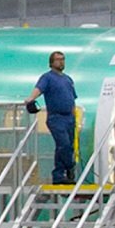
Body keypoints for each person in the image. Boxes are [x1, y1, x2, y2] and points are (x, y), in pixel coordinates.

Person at [27, 50, 80, 185]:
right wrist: (30, 99)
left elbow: (72, 99)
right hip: (56, 117)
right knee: (64, 144)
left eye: (63, 59)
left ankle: (59, 175)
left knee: (66, 146)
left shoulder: (68, 79)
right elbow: (39, 89)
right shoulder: (47, 77)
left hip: (69, 117)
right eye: (58, 59)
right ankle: (70, 166)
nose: (61, 62)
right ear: (51, 62)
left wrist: (74, 117)